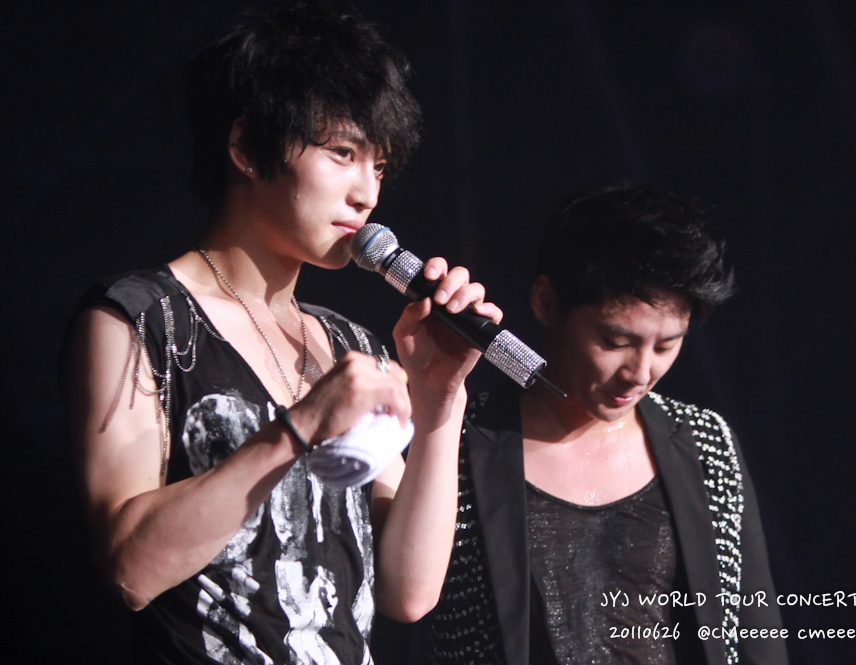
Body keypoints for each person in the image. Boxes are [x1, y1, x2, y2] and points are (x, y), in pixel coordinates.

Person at [60, 4, 501, 663]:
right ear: (245, 148)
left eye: (379, 166)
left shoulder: (351, 345)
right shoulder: (138, 319)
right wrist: (302, 425)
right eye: (343, 154)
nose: (367, 193)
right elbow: (131, 568)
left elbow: (408, 591)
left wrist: (440, 400)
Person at [422, 183, 788, 665]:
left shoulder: (704, 441)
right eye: (616, 341)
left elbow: (756, 637)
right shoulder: (458, 440)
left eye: (666, 346)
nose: (640, 372)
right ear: (545, 300)